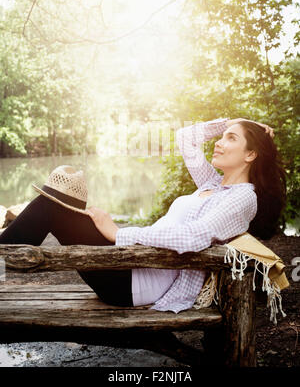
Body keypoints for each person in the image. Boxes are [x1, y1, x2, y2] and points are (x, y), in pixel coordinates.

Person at [0, 117, 286, 313]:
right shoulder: (212, 183)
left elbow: (192, 236)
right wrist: (232, 123)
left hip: (131, 282)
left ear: (250, 155)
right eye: (222, 137)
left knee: (50, 208)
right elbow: (185, 138)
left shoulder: (243, 198)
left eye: (231, 138)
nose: (219, 142)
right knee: (54, 201)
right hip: (130, 262)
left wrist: (118, 233)